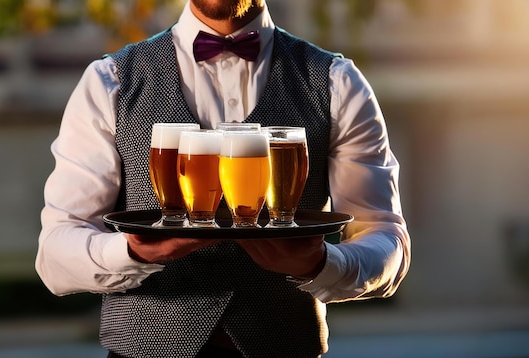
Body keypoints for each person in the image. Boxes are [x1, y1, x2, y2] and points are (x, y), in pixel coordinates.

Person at [35, 0, 411, 357]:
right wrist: (131, 252)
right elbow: (54, 254)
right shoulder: (109, 81)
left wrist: (322, 264)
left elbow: (384, 237)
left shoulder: (336, 82)